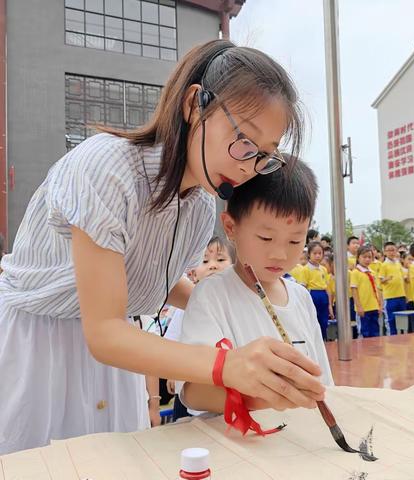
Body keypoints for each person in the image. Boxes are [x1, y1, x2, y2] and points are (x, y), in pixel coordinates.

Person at [0, 40, 325, 454]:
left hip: (121, 359)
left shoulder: (197, 207)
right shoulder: (108, 168)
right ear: (194, 104)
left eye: (265, 155)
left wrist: (236, 304)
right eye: (244, 139)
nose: (248, 166)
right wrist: (228, 365)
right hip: (38, 344)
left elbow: (153, 277)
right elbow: (104, 330)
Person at [178, 158, 333, 414]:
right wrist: (264, 398)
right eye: (265, 237)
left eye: (295, 241)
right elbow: (195, 393)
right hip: (238, 444)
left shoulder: (301, 297)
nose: (280, 255)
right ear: (231, 227)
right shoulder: (213, 294)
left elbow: (323, 381)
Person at [165, 236, 235, 421]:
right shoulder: (185, 307)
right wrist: (174, 374)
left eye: (220, 259)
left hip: (229, 391)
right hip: (192, 392)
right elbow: (172, 343)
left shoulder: (238, 305)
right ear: (193, 273)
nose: (212, 265)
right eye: (204, 261)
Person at [302, 241, 334, 340]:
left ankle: (323, 340)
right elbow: (303, 287)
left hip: (323, 294)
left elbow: (327, 287)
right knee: (313, 319)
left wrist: (330, 304)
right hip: (313, 294)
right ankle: (314, 340)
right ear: (309, 254)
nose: (317, 256)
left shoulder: (323, 269)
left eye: (320, 253)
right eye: (314, 253)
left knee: (323, 321)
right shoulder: (306, 269)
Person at [350, 246, 382, 338]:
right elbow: (354, 290)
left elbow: (376, 289)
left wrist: (379, 305)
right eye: (364, 257)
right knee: (364, 332)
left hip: (374, 306)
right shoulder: (356, 272)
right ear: (358, 257)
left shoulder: (372, 272)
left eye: (369, 257)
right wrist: (359, 306)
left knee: (375, 331)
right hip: (364, 308)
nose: (367, 259)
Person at [379, 242, 406, 335]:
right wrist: (386, 279)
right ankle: (391, 337)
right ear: (384, 252)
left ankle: (402, 337)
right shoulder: (384, 265)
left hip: (401, 295)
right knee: (391, 319)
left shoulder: (398, 263)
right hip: (390, 297)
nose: (391, 252)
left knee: (402, 318)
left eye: (393, 250)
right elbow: (380, 280)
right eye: (389, 250)